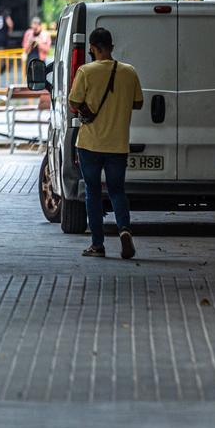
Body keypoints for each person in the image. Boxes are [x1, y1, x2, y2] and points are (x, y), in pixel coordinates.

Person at [68, 27, 143, 259]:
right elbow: (138, 103)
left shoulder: (85, 71)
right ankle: (124, 230)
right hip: (118, 144)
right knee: (117, 190)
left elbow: (73, 103)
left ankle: (97, 245)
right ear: (111, 47)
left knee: (92, 191)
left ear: (92, 48)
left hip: (90, 143)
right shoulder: (129, 72)